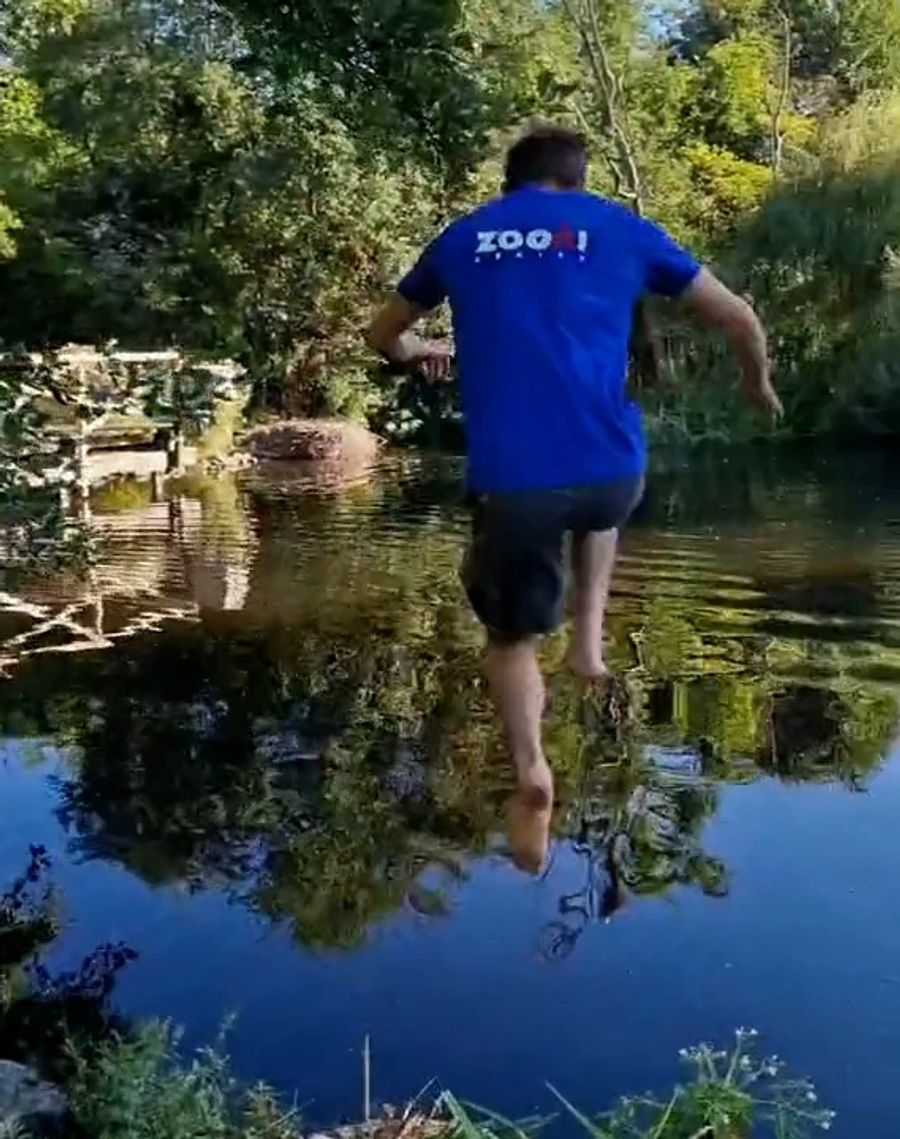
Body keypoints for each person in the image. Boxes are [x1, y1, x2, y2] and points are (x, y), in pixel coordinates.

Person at [367, 124, 781, 823]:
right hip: (615, 471)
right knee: (600, 508)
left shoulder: (465, 236)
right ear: (578, 179)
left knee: (511, 639)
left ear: (513, 179)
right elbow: (739, 317)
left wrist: (416, 350)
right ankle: (588, 643)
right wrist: (758, 385)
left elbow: (382, 333)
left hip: (515, 483)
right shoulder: (620, 228)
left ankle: (531, 767)